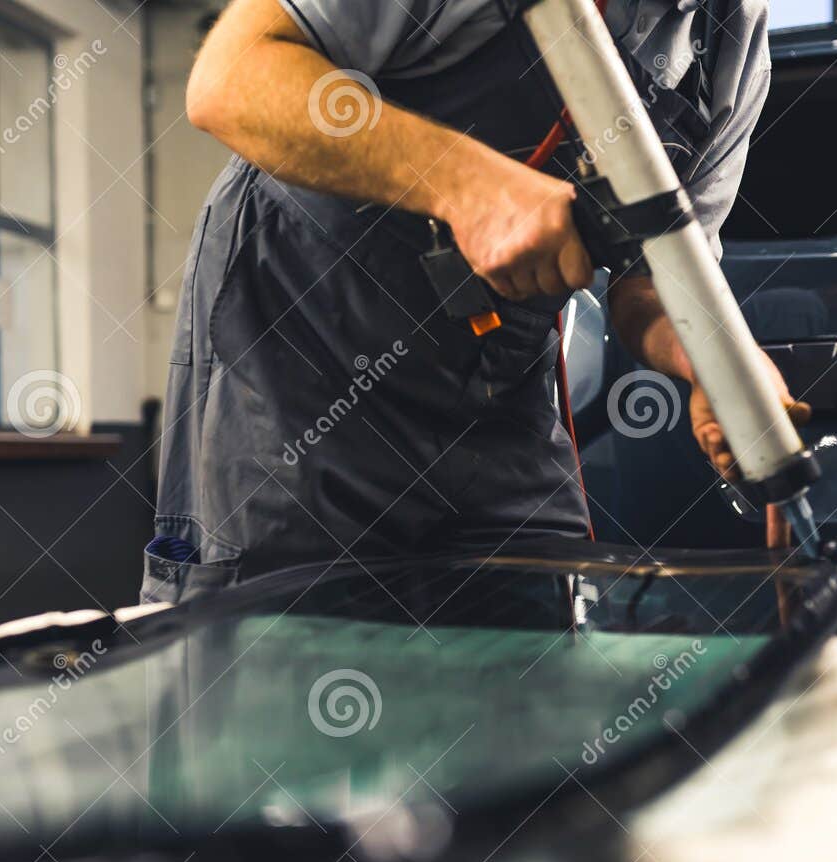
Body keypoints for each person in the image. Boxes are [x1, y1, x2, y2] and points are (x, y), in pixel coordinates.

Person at [143, 0, 796, 601]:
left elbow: (652, 277)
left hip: (497, 404)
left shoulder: (728, 40)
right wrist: (464, 184)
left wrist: (716, 365)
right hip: (299, 376)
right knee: (283, 663)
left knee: (532, 664)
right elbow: (231, 79)